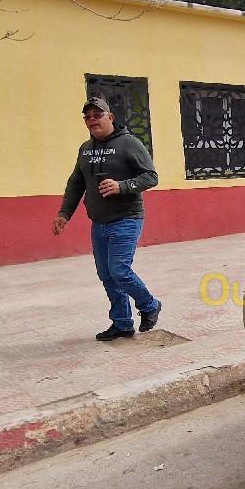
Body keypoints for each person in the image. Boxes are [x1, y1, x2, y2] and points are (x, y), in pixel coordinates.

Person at [52, 96, 162, 341]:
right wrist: (64, 213)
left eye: (97, 115)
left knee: (119, 270)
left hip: (126, 218)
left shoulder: (129, 144)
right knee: (107, 274)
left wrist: (122, 186)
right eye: (88, 117)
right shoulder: (85, 149)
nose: (92, 120)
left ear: (110, 117)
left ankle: (150, 305)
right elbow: (76, 183)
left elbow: (151, 177)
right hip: (99, 222)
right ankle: (122, 323)